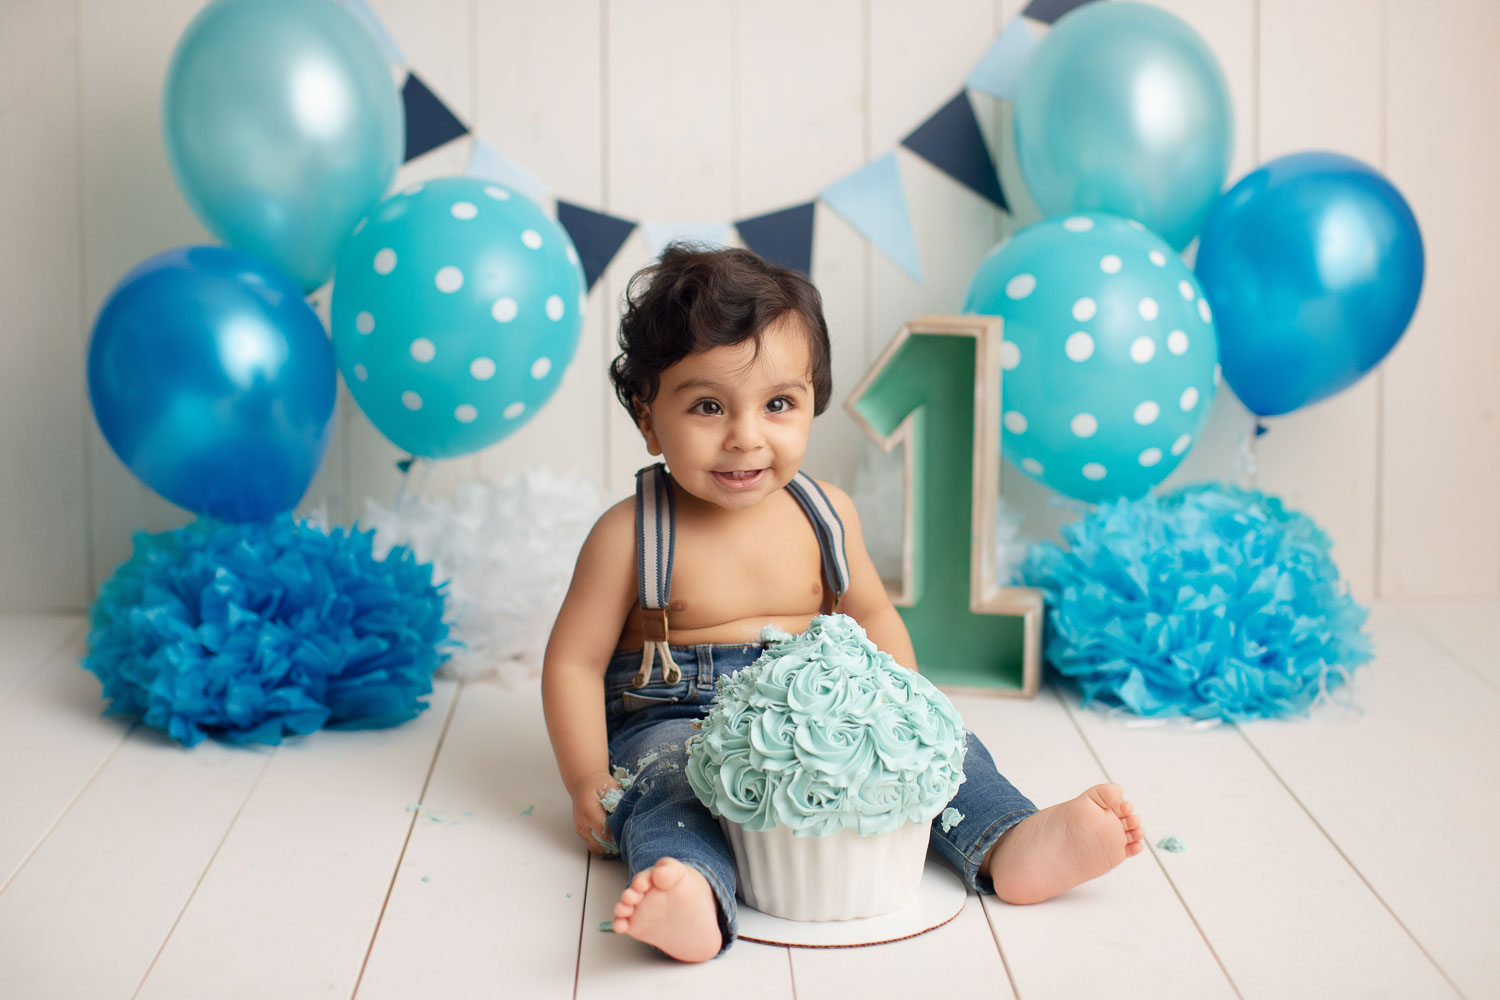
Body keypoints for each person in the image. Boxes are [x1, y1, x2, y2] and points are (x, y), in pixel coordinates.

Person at [541, 244, 1144, 963]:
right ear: (648, 418)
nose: (745, 435)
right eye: (708, 406)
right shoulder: (628, 532)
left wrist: (908, 709)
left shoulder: (827, 513)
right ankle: (692, 891)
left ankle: (1010, 839)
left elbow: (873, 615)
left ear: (811, 405)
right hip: (680, 713)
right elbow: (573, 663)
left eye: (777, 404)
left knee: (950, 757)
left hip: (822, 707)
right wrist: (587, 777)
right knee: (668, 784)